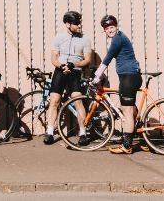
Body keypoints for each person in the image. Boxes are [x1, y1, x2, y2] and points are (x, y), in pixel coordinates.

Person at [92, 14, 142, 154]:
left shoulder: (117, 39)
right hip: (131, 76)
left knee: (126, 112)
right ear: (104, 30)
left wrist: (96, 77)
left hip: (128, 77)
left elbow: (107, 59)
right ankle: (140, 138)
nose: (110, 30)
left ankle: (127, 146)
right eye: (107, 28)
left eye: (112, 27)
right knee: (130, 110)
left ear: (116, 26)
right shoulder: (119, 37)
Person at [44, 10, 93, 145]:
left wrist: (74, 65)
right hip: (60, 71)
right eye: (76, 23)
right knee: (54, 100)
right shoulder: (59, 38)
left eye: (79, 23)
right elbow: (53, 58)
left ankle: (83, 133)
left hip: (75, 71)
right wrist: (61, 66)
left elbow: (87, 60)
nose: (79, 26)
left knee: (78, 100)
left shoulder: (85, 39)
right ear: (67, 24)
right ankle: (49, 132)